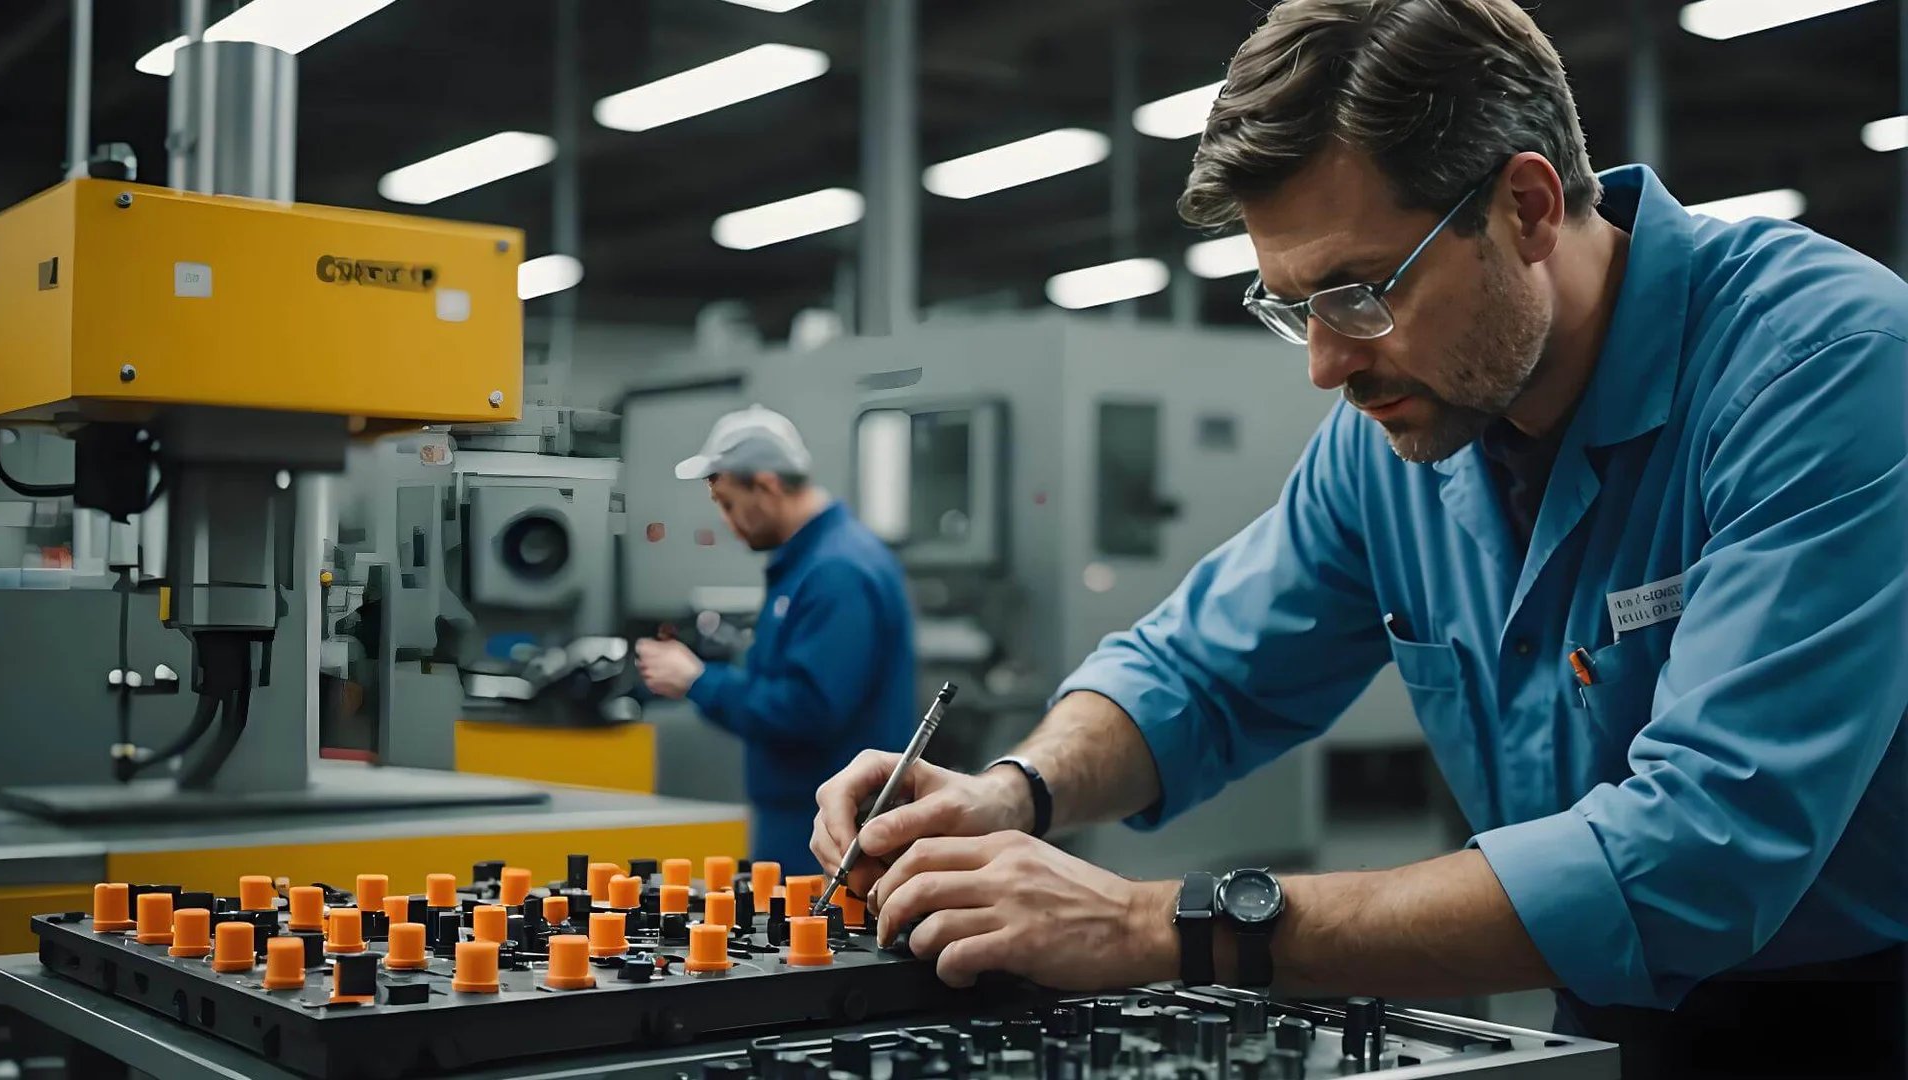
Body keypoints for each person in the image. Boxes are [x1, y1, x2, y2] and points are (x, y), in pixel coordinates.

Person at [808, 2, 1908, 1077]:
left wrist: (1164, 925)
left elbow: (1701, 854)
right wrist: (1013, 789)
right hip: (1602, 1002)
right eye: (1291, 306)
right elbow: (1200, 672)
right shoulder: (1399, 438)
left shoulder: (1822, 367)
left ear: (1525, 208)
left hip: (1860, 1005)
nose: (1327, 365)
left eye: (1360, 292)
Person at [636, 405, 915, 875]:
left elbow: (808, 710)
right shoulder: (813, 564)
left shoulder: (837, 571)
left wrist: (699, 681)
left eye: (727, 503)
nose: (726, 520)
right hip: (805, 817)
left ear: (765, 485)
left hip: (832, 827)